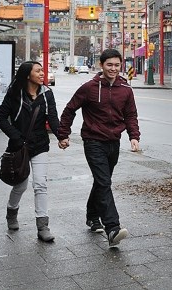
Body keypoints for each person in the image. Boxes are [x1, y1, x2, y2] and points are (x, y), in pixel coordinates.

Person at [57, 48, 140, 248]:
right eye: (109, 65)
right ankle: (112, 228)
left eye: (117, 65)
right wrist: (63, 134)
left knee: (102, 181)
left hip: (114, 142)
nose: (113, 68)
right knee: (104, 182)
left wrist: (134, 137)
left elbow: (130, 115)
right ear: (101, 65)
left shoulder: (125, 89)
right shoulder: (89, 88)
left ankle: (92, 216)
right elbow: (69, 110)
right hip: (93, 141)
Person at [0, 61, 60, 242]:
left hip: (40, 145)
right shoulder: (15, 93)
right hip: (19, 146)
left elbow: (53, 119)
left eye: (42, 71)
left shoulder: (47, 94)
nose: (42, 73)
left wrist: (61, 136)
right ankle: (11, 212)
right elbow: (1, 118)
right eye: (38, 71)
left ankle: (43, 226)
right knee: (21, 185)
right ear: (27, 75)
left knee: (40, 184)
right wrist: (15, 136)